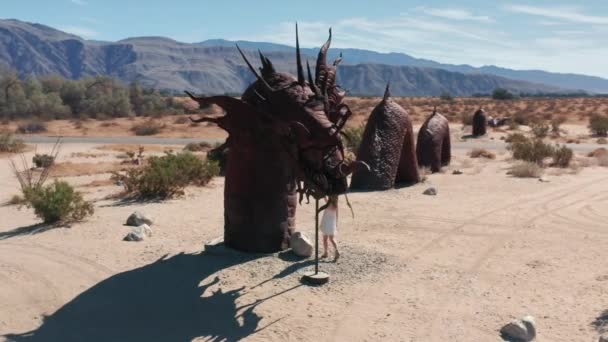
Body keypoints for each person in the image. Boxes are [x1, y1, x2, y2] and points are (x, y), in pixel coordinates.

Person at [320, 195, 340, 261]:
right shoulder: (336, 205)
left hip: (326, 223)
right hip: (332, 224)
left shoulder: (328, 204)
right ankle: (336, 250)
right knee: (332, 239)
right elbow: (337, 215)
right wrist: (336, 224)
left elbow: (324, 197)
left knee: (325, 239)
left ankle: (326, 252)